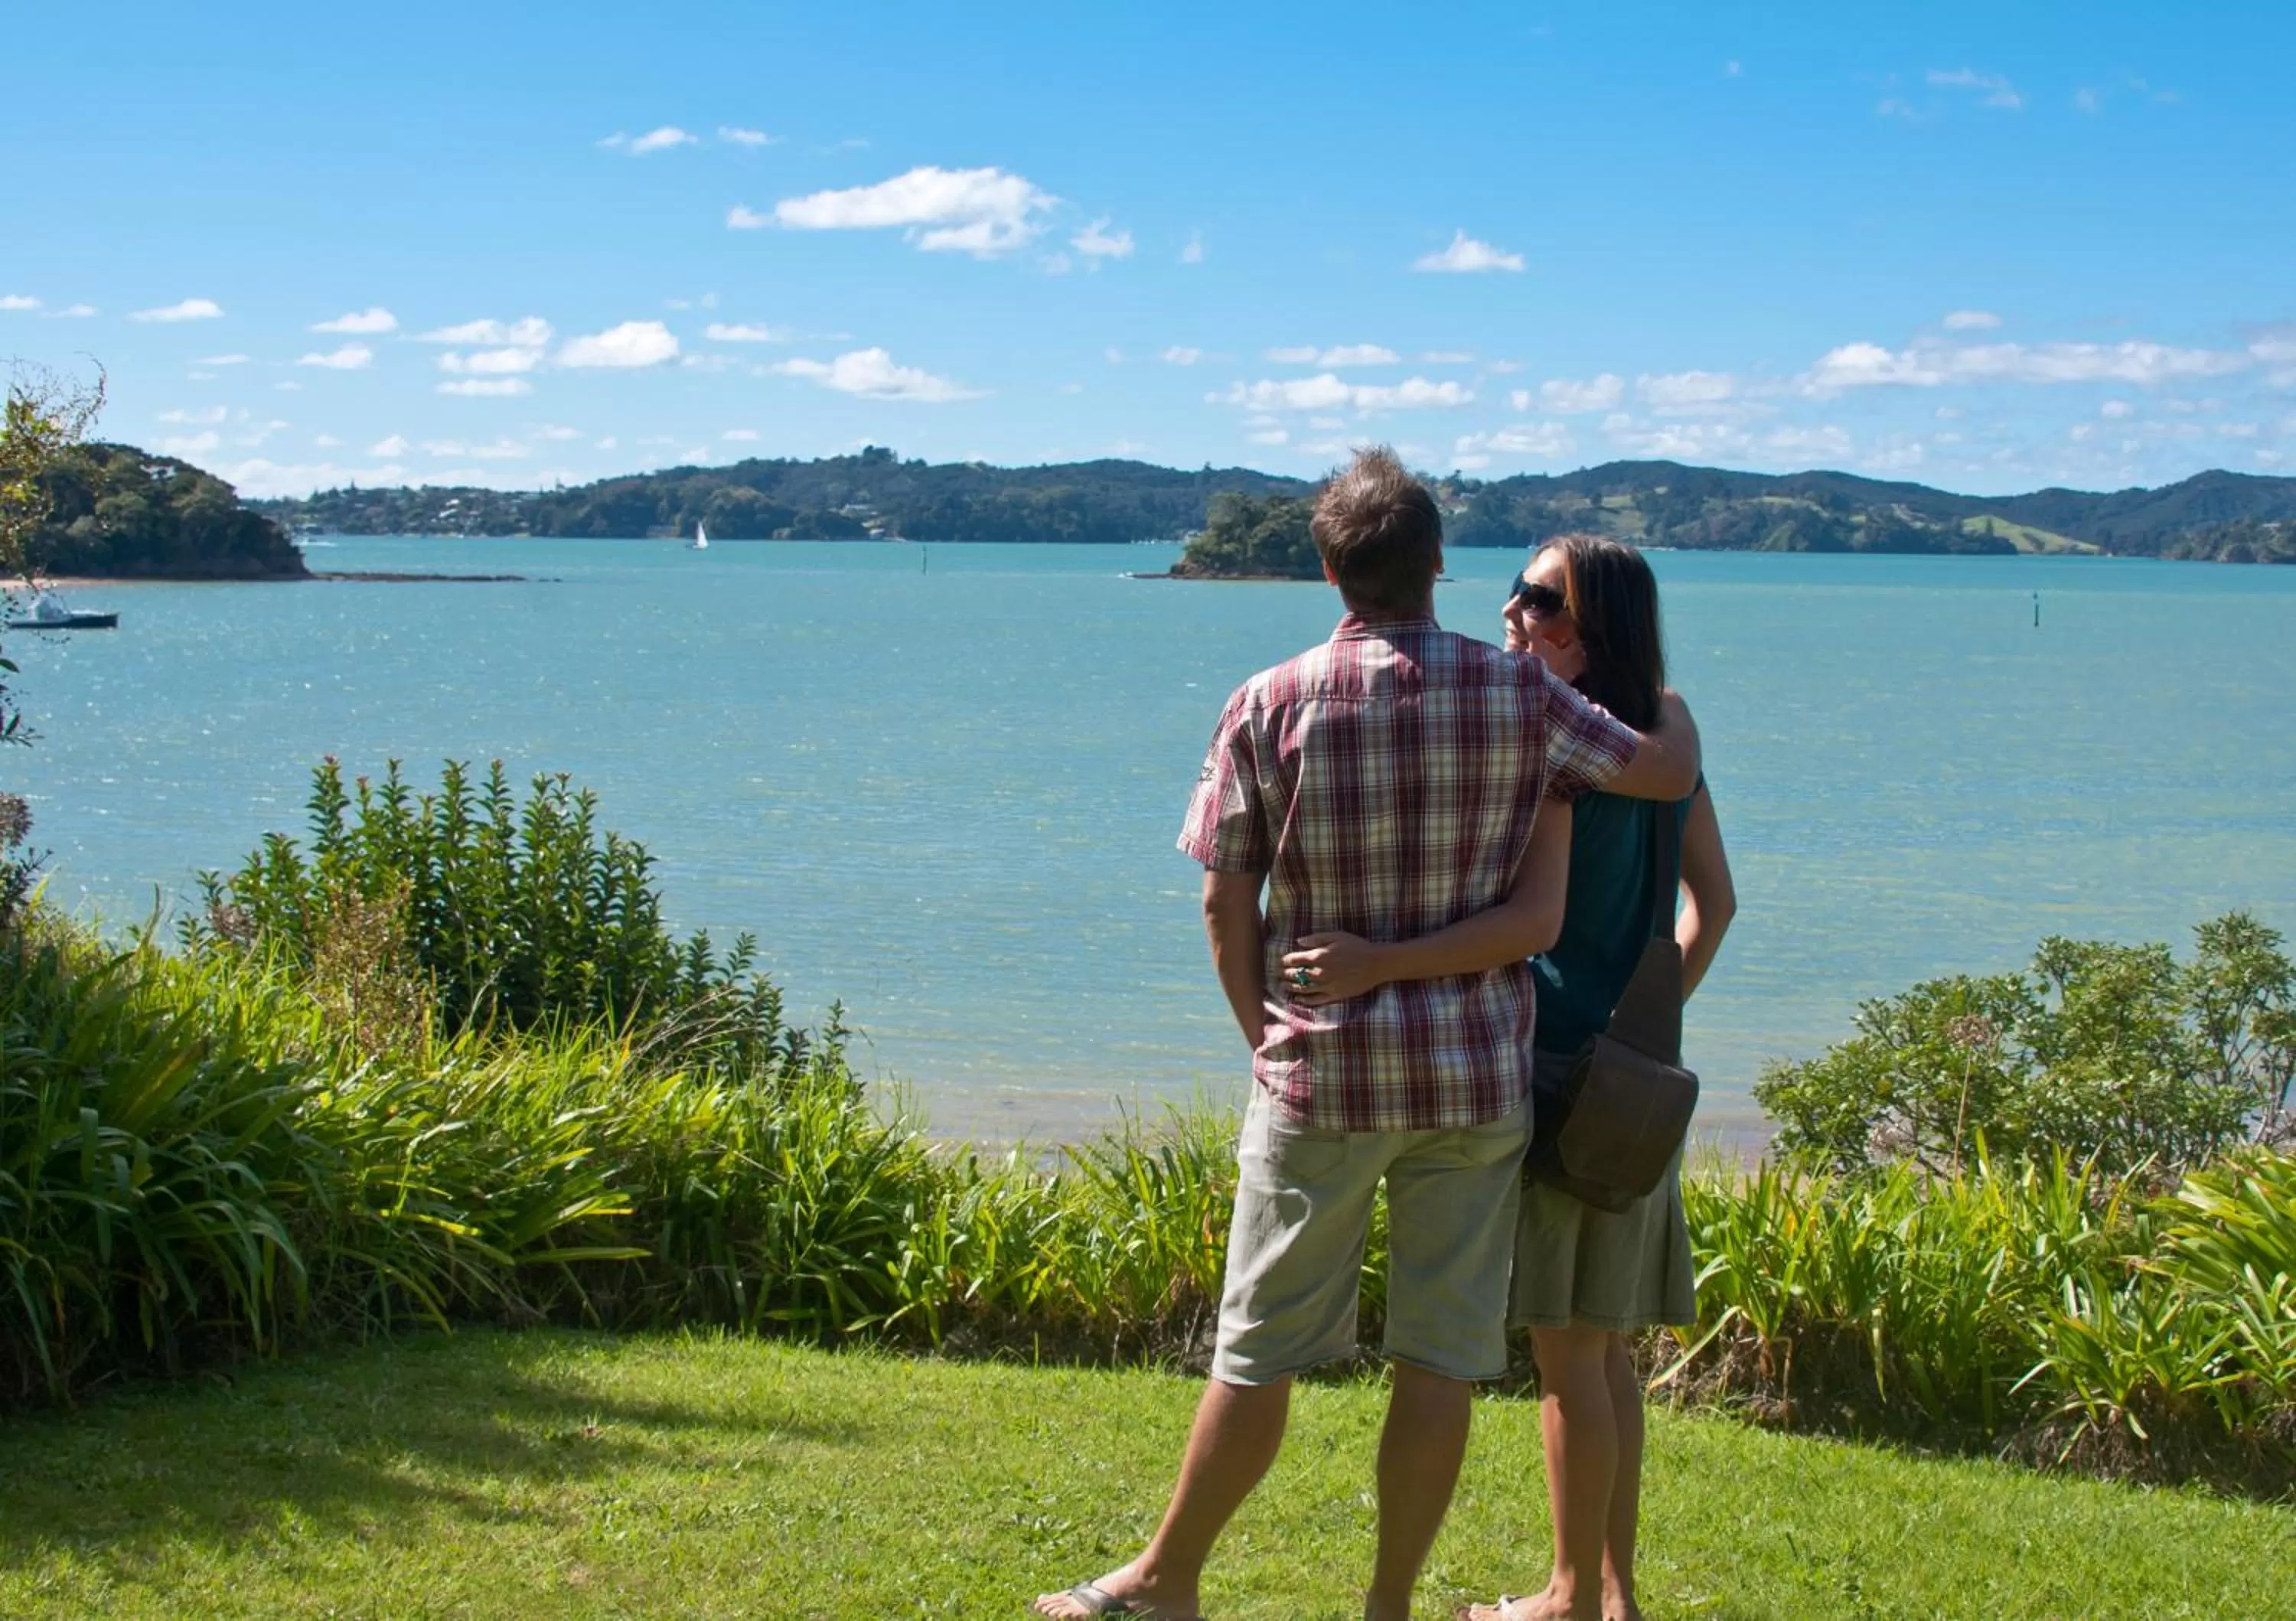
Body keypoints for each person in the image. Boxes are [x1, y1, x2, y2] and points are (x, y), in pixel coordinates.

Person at [1034, 460, 1703, 1621]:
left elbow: (1222, 899)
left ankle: (1169, 1577)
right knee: (1440, 1357)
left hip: (1321, 1075)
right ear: (1437, 563)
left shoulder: (1267, 699)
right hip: (1474, 1086)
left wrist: (1265, 1035)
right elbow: (1658, 772)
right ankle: (1386, 1603)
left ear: (1330, 567)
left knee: (1259, 1346)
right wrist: (1674, 704)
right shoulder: (1525, 698)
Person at [1279, 533, 1737, 1621]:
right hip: (1634, 1079)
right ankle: (1611, 1593)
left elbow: (1524, 916)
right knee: (1607, 1353)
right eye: (1518, 590)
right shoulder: (1666, 735)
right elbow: (1711, 906)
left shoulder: (1557, 748)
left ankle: (1573, 1597)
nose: (1512, 609)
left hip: (1553, 1076)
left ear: (1586, 629)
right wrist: (1650, 1024)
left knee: (1569, 1357)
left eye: (1539, 599)